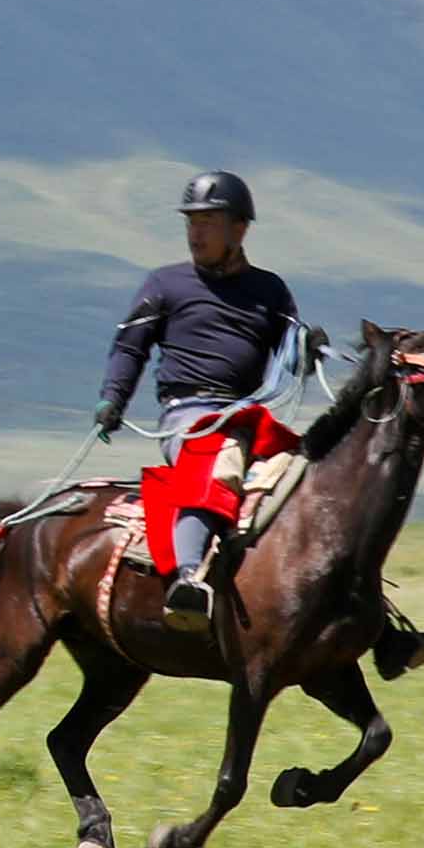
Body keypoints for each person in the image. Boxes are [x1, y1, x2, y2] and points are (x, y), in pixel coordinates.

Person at [96, 171, 306, 629]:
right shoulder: (164, 283)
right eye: (192, 222)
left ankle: (372, 620)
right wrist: (112, 398)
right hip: (187, 415)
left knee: (317, 477)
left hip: (248, 416)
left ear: (239, 229)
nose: (196, 232)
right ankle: (189, 580)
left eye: (208, 221)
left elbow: (294, 350)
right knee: (218, 457)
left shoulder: (270, 291)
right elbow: (131, 347)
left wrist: (311, 350)